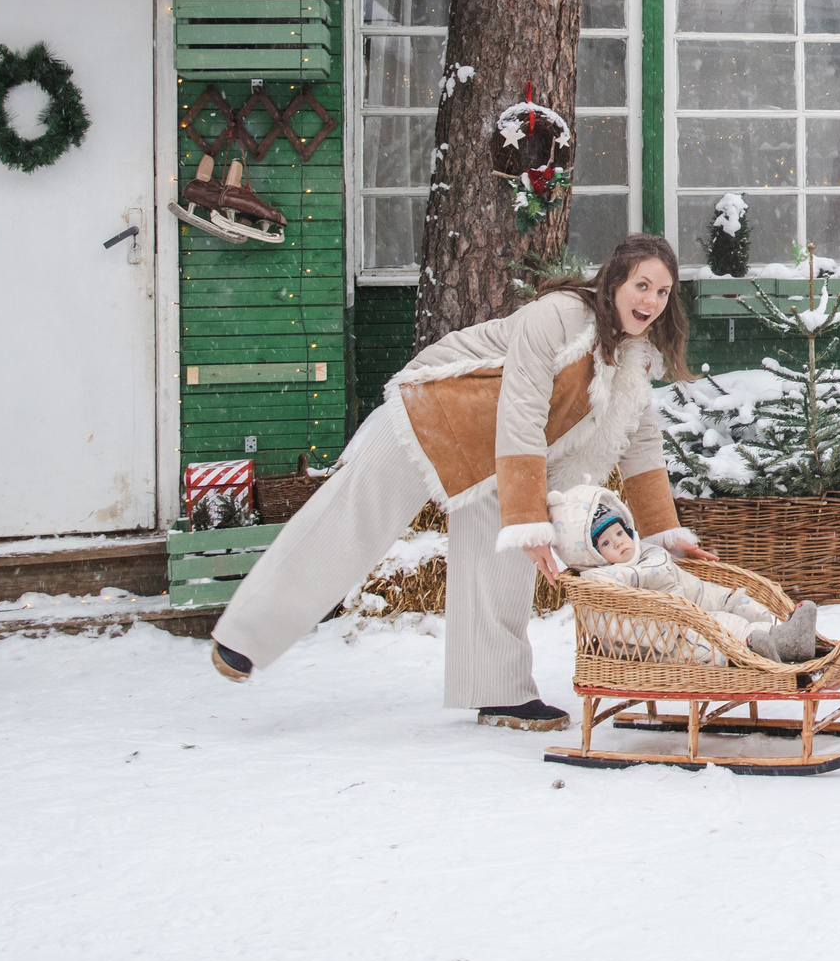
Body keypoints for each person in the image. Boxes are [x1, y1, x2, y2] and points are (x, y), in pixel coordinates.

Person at [209, 235, 701, 730]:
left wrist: (665, 533)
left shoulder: (631, 356)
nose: (651, 301)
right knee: (350, 524)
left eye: (662, 291)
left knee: (502, 565)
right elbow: (522, 413)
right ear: (614, 281)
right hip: (433, 420)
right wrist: (529, 518)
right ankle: (246, 634)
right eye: (642, 285)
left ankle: (500, 691)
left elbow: (639, 438)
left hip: (495, 458)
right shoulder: (557, 317)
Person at [547, 483, 820, 664]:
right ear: (592, 555)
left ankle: (782, 638)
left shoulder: (650, 556)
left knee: (731, 609)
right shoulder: (601, 584)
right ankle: (756, 651)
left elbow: (692, 587)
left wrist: (727, 600)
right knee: (717, 630)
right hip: (661, 641)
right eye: (605, 543)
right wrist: (678, 623)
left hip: (685, 616)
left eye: (619, 533)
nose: (618, 542)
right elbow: (622, 627)